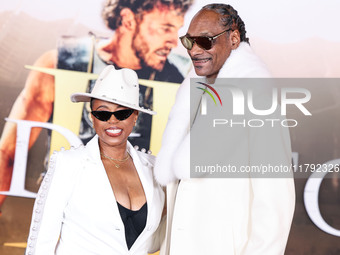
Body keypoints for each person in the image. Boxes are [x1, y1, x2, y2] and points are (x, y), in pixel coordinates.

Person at [0, 0, 193, 213]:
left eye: (176, 29)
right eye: (166, 28)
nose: (174, 41)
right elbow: (8, 153)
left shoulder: (183, 79)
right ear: (128, 19)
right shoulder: (62, 63)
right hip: (67, 221)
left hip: (139, 226)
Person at [154, 3, 295, 255]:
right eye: (188, 42)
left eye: (205, 41)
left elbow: (275, 202)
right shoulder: (191, 94)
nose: (195, 50)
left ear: (234, 38)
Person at [25, 65, 165, 255]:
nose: (112, 121)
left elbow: (152, 241)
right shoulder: (69, 164)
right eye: (103, 113)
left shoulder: (154, 169)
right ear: (93, 118)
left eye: (122, 113)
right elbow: (42, 241)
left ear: (135, 116)